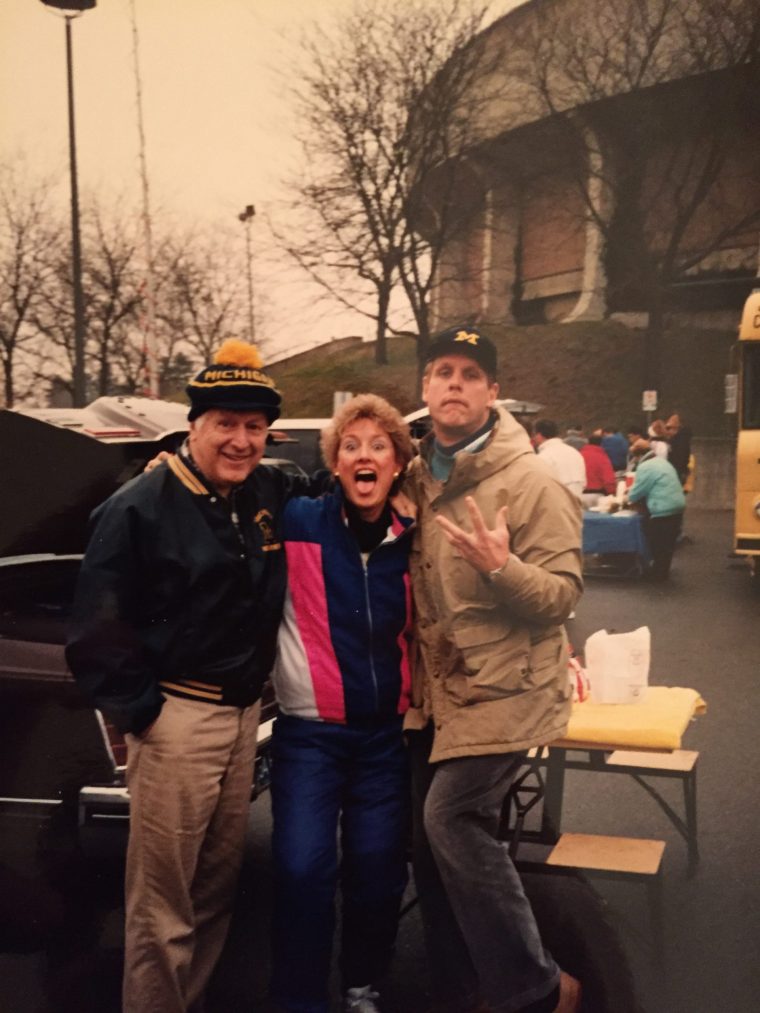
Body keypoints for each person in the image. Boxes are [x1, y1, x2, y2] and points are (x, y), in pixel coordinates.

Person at [66, 339, 299, 1013]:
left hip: (242, 719)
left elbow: (332, 482)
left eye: (254, 426)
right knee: (161, 906)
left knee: (214, 891)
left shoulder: (264, 489)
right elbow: (95, 632)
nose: (240, 438)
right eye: (225, 422)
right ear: (193, 425)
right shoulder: (138, 507)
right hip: (178, 720)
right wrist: (146, 712)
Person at [404, 326, 584, 1013]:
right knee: (424, 843)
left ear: (493, 392)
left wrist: (501, 567)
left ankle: (540, 988)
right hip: (439, 693)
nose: (454, 383)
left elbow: (563, 594)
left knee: (450, 818)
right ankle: (462, 989)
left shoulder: (533, 482)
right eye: (443, 370)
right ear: (425, 387)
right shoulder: (417, 474)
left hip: (509, 689)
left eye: (471, 373)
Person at [268, 395, 416, 1013]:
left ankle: (362, 983)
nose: (364, 455)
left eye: (378, 445)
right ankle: (300, 996)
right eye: (350, 445)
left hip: (385, 739)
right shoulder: (298, 518)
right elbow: (244, 478)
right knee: (302, 870)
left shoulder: (416, 537)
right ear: (333, 462)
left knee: (379, 872)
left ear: (398, 465)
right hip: (309, 737)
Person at [626, 439, 686, 581]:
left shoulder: (646, 466)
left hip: (662, 508)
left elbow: (638, 491)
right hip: (677, 505)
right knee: (668, 544)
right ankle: (662, 571)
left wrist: (627, 495)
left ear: (639, 455)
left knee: (657, 542)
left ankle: (657, 574)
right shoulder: (663, 462)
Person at [532, 419, 586, 499]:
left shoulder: (543, 456)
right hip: (577, 501)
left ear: (539, 435)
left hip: (554, 503)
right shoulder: (574, 452)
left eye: (534, 435)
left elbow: (538, 485)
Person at [580, 433, 617, 499]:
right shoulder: (602, 457)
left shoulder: (580, 455)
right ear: (601, 444)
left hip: (580, 494)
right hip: (597, 494)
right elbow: (608, 479)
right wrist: (612, 492)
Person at [665, 413, 692, 486]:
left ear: (676, 428)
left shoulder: (680, 441)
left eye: (669, 428)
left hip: (677, 472)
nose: (667, 431)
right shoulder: (681, 439)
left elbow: (680, 459)